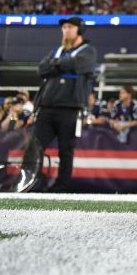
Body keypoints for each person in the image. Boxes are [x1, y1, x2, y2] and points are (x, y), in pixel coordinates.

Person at [32, 16, 97, 192]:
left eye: (70, 27)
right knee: (34, 147)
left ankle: (60, 187)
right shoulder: (57, 50)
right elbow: (41, 69)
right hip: (46, 107)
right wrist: (63, 66)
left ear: (79, 30)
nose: (66, 30)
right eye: (64, 27)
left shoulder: (88, 51)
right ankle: (29, 183)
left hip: (70, 109)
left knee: (66, 151)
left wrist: (54, 67)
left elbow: (79, 64)